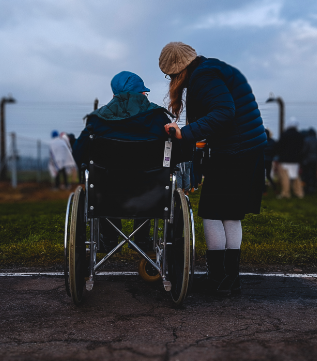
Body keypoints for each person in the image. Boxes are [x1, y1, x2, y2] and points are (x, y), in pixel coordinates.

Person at [159, 42, 267, 295]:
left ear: (178, 70)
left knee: (211, 211)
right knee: (230, 213)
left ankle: (217, 277)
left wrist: (185, 133)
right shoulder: (214, 69)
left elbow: (224, 111)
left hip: (235, 150)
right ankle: (231, 279)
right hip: (248, 148)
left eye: (171, 76)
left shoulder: (204, 77)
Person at [73, 71, 190, 252]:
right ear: (142, 94)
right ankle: (142, 239)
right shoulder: (159, 118)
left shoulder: (96, 120)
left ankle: (109, 239)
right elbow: (180, 154)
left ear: (114, 95)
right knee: (147, 181)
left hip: (106, 195)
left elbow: (79, 153)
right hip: (150, 194)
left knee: (105, 182)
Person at [276, 117, 304, 199]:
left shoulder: (284, 134)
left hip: (285, 160)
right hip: (295, 160)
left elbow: (279, 146)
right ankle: (299, 193)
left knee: (285, 177)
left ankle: (286, 193)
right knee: (296, 177)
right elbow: (302, 147)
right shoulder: (299, 135)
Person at [301, 128, 317, 194]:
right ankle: (313, 187)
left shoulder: (306, 140)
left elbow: (304, 150)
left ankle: (307, 188)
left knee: (307, 174)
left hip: (307, 160)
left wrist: (302, 158)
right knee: (313, 173)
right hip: (315, 160)